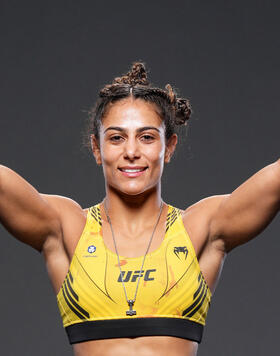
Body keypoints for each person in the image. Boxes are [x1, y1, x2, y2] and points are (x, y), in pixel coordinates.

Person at [0, 62, 279, 356]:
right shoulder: (67, 229)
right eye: (116, 138)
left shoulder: (201, 228)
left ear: (169, 147)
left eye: (146, 137)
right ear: (97, 148)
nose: (131, 152)